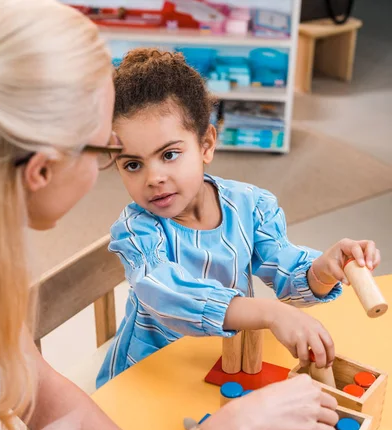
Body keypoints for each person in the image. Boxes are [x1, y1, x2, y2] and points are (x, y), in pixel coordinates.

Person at [0, 0, 340, 430]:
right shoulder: (134, 230)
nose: (143, 174)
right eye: (111, 155)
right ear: (41, 169)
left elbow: (38, 391)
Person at [97, 49, 381, 388]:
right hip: (149, 375)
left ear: (206, 144)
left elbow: (288, 276)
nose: (153, 178)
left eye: (169, 155)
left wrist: (324, 269)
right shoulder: (136, 232)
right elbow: (166, 293)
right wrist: (269, 313)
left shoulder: (251, 205)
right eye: (132, 165)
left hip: (228, 362)